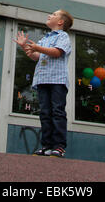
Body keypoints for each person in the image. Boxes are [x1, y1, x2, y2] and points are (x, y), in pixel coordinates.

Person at [15, 9, 73, 157]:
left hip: (57, 81)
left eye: (53, 15)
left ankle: (59, 146)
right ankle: (47, 146)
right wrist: (24, 46)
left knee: (57, 111)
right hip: (42, 80)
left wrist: (37, 48)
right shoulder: (45, 38)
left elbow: (56, 52)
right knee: (45, 113)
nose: (49, 15)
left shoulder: (63, 36)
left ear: (60, 22)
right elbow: (35, 56)